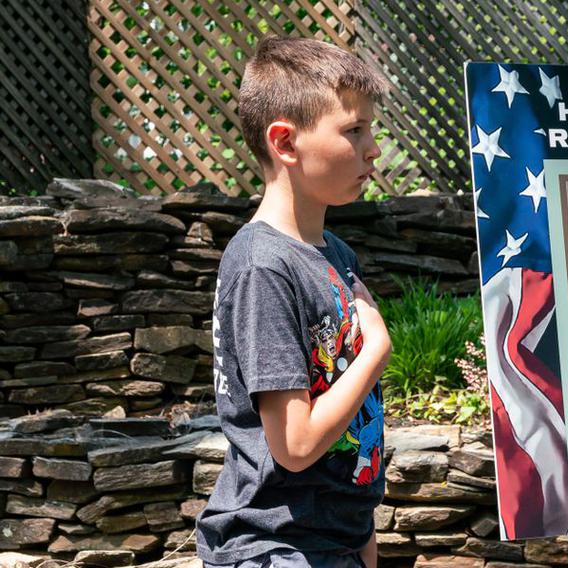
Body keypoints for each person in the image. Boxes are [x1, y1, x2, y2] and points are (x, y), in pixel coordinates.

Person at [195, 36, 390, 568]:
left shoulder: (335, 253)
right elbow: (296, 444)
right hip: (275, 548)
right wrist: (377, 349)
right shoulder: (263, 266)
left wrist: (362, 542)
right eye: (354, 130)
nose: (373, 148)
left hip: (334, 542)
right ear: (285, 142)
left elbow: (353, 431)